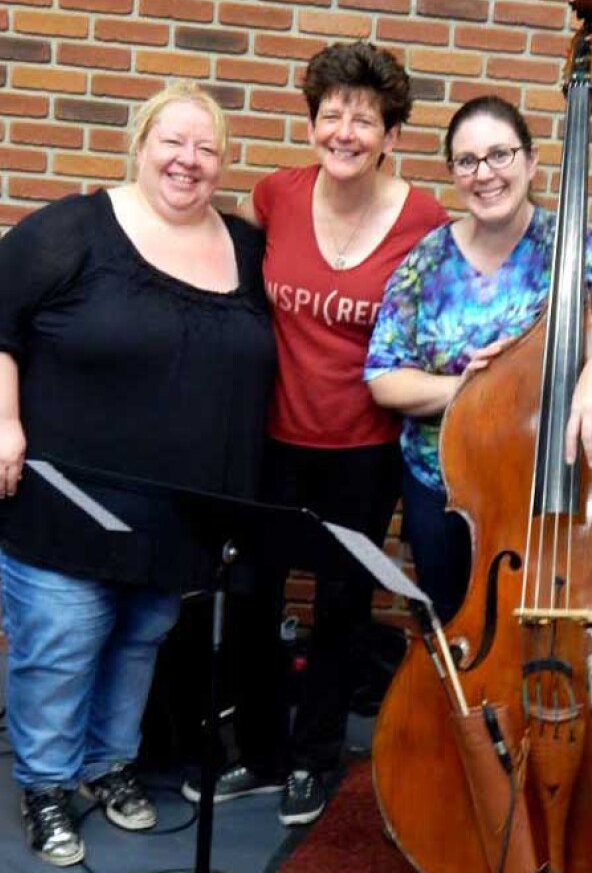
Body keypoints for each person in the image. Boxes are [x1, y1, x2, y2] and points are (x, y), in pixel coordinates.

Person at [0, 81, 276, 867]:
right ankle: (45, 785)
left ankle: (107, 765)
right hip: (68, 502)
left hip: (178, 513)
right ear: (139, 145)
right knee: (61, 646)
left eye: (206, 148)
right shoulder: (69, 231)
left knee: (138, 642)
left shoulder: (246, 247)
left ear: (223, 162)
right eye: (173, 141)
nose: (188, 160)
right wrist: (1, 421)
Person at [180, 41, 447, 826]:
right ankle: (262, 755)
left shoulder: (425, 220)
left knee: (341, 606)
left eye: (364, 121)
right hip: (271, 441)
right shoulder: (277, 196)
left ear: (392, 135)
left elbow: (437, 327)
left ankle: (314, 758)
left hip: (364, 450)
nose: (344, 133)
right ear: (311, 124)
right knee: (254, 598)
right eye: (331, 115)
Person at [364, 95, 592, 624]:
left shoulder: (571, 248)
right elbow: (384, 376)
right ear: (453, 173)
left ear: (531, 161)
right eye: (467, 161)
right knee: (451, 627)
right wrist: (469, 390)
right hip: (443, 490)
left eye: (499, 155)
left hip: (544, 495)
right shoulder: (427, 260)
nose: (484, 174)